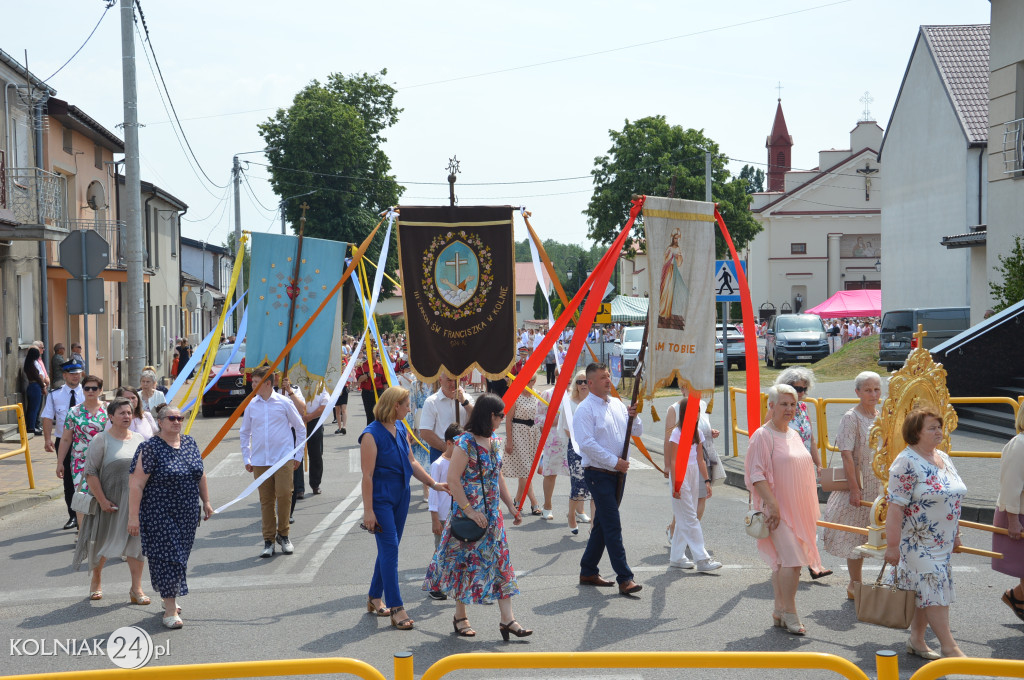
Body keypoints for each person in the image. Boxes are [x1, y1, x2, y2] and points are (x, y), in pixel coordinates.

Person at [423, 393, 531, 640]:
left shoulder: (493, 441)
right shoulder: (465, 442)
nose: (503, 419)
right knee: (465, 566)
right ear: (489, 415)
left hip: (492, 516)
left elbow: (497, 477)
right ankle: (460, 617)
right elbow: (452, 479)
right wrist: (470, 511)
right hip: (469, 517)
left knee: (501, 565)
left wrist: (511, 506)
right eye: (500, 415)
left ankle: (508, 620)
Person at [360, 386, 447, 630]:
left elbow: (411, 461)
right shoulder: (371, 434)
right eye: (407, 404)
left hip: (402, 495)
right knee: (391, 550)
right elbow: (367, 476)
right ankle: (396, 607)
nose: (410, 408)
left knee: (390, 547)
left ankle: (374, 596)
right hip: (382, 498)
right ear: (394, 405)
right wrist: (369, 511)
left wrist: (433, 483)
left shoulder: (400, 427)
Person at [884, 406, 967, 658]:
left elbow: (953, 498)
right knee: (933, 589)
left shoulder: (942, 456)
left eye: (939, 426)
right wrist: (892, 546)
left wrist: (957, 533)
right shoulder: (906, 462)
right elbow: (895, 507)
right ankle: (950, 647)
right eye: (931, 428)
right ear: (915, 432)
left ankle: (917, 640)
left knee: (925, 591)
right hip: (916, 541)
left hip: (941, 540)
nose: (938, 431)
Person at [744, 384, 824, 635]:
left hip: (799, 508)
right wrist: (772, 505)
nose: (790, 409)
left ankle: (780, 609)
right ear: (771, 406)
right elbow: (756, 474)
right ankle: (790, 611)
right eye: (784, 404)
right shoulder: (762, 435)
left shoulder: (794, 434)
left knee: (782, 563)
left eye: (793, 404)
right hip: (777, 509)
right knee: (793, 561)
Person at [128, 404, 213, 629]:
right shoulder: (150, 448)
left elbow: (200, 474)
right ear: (161, 421)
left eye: (180, 418)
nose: (177, 421)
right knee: (169, 558)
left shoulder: (190, 443)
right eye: (172, 418)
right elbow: (136, 484)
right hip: (158, 513)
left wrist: (206, 502)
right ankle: (170, 609)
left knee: (179, 558)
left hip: (186, 513)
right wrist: (133, 517)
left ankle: (169, 595)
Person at [573, 362, 643, 595]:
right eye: (603, 377)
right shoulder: (585, 410)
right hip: (599, 474)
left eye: (608, 376)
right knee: (612, 524)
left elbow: (636, 431)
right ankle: (625, 578)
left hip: (618, 474)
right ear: (590, 383)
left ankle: (588, 569)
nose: (608, 380)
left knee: (603, 524)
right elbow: (587, 444)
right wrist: (614, 461)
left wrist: (634, 415)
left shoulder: (617, 404)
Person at [72, 398, 147, 603]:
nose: (126, 416)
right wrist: (103, 500)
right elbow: (90, 472)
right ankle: (96, 580)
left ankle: (136, 589)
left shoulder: (140, 439)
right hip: (109, 503)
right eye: (121, 413)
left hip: (133, 503)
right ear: (111, 417)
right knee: (102, 542)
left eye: (129, 413)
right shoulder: (101, 439)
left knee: (136, 544)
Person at [821, 371, 882, 595]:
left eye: (876, 389)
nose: (873, 394)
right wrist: (854, 489)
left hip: (878, 483)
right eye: (868, 390)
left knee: (876, 534)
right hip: (859, 482)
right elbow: (846, 455)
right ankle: (855, 584)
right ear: (857, 392)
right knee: (856, 535)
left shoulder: (880, 415)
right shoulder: (851, 417)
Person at [239, 366, 306, 558]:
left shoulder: (284, 402)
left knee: (285, 495)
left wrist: (297, 455)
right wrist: (247, 457)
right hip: (260, 461)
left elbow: (300, 428)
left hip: (283, 458)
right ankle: (268, 540)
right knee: (266, 501)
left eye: (255, 381)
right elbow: (245, 432)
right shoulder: (252, 404)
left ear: (267, 383)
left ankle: (283, 535)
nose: (251, 384)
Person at [665, 395, 722, 573]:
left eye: (697, 412)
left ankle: (676, 557)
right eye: (691, 412)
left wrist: (706, 480)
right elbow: (674, 461)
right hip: (680, 475)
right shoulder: (677, 433)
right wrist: (676, 484)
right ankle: (702, 559)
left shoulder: (696, 433)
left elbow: (700, 460)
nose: (695, 415)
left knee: (685, 517)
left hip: (693, 473)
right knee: (690, 517)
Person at [56, 375, 109, 527]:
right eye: (87, 388)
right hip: (80, 461)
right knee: (82, 497)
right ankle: (82, 534)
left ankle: (102, 533)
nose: (90, 391)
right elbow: (66, 439)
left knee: (104, 495)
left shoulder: (109, 409)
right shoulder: (74, 412)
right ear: (83, 390)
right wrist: (60, 462)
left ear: (100, 390)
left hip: (105, 459)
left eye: (94, 388)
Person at [42, 361, 86, 529]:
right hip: (64, 441)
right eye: (72, 373)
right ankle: (73, 515)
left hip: (85, 441)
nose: (76, 376)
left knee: (89, 477)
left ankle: (90, 515)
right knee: (68, 479)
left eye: (78, 372)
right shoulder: (55, 395)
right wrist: (47, 439)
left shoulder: (88, 391)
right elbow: (47, 417)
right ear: (65, 375)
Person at [994, 406, 1024, 622]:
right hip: (1020, 513)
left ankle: (1016, 597)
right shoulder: (1020, 444)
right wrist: (1013, 520)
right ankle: (1016, 597)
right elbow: (1011, 484)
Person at [427, 423, 461, 601]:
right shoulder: (438, 464)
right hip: (441, 516)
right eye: (458, 445)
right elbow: (433, 493)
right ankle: (434, 585)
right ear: (448, 443)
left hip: (456, 514)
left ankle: (450, 583)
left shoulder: (461, 463)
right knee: (440, 551)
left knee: (454, 550)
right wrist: (434, 519)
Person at [504, 372, 541, 516]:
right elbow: (508, 420)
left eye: (530, 380)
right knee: (526, 470)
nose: (527, 383)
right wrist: (509, 441)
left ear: (534, 381)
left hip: (533, 434)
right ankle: (534, 503)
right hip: (519, 433)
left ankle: (517, 501)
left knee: (526, 470)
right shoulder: (516, 395)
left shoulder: (538, 395)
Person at [419, 371, 474, 464]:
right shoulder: (431, 402)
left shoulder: (467, 398)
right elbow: (425, 432)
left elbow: (477, 419)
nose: (453, 383)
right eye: (449, 380)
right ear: (440, 380)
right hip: (440, 452)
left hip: (466, 450)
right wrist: (448, 450)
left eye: (455, 380)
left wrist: (465, 403)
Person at [565, 370, 593, 534]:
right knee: (578, 484)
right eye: (579, 382)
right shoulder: (569, 403)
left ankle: (593, 526)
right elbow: (566, 428)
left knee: (594, 485)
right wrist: (580, 444)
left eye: (585, 381)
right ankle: (571, 515)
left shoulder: (595, 401)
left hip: (594, 449)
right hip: (576, 449)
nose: (582, 385)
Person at [536, 383, 569, 522]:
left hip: (571, 440)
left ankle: (578, 510)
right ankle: (547, 506)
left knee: (577, 476)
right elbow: (537, 417)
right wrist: (552, 420)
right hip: (553, 441)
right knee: (550, 473)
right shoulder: (548, 394)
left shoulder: (576, 394)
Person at [303, 386, 330, 495]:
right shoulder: (295, 383)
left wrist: (310, 417)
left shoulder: (321, 385)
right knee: (296, 456)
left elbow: (324, 405)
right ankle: (299, 488)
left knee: (316, 454)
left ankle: (315, 484)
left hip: (315, 421)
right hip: (298, 420)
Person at [355, 349, 385, 425]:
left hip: (379, 393)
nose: (372, 355)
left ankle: (379, 434)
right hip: (367, 393)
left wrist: (386, 395)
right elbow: (359, 380)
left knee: (380, 415)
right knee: (370, 416)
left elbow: (384, 382)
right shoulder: (362, 366)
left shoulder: (381, 366)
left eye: (374, 353)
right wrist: (367, 375)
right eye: (370, 353)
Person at [22, 347, 46, 435]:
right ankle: (32, 428)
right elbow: (37, 377)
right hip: (35, 386)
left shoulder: (28, 364)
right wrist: (43, 387)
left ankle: (31, 426)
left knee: (31, 408)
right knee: (34, 408)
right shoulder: (32, 365)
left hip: (31, 386)